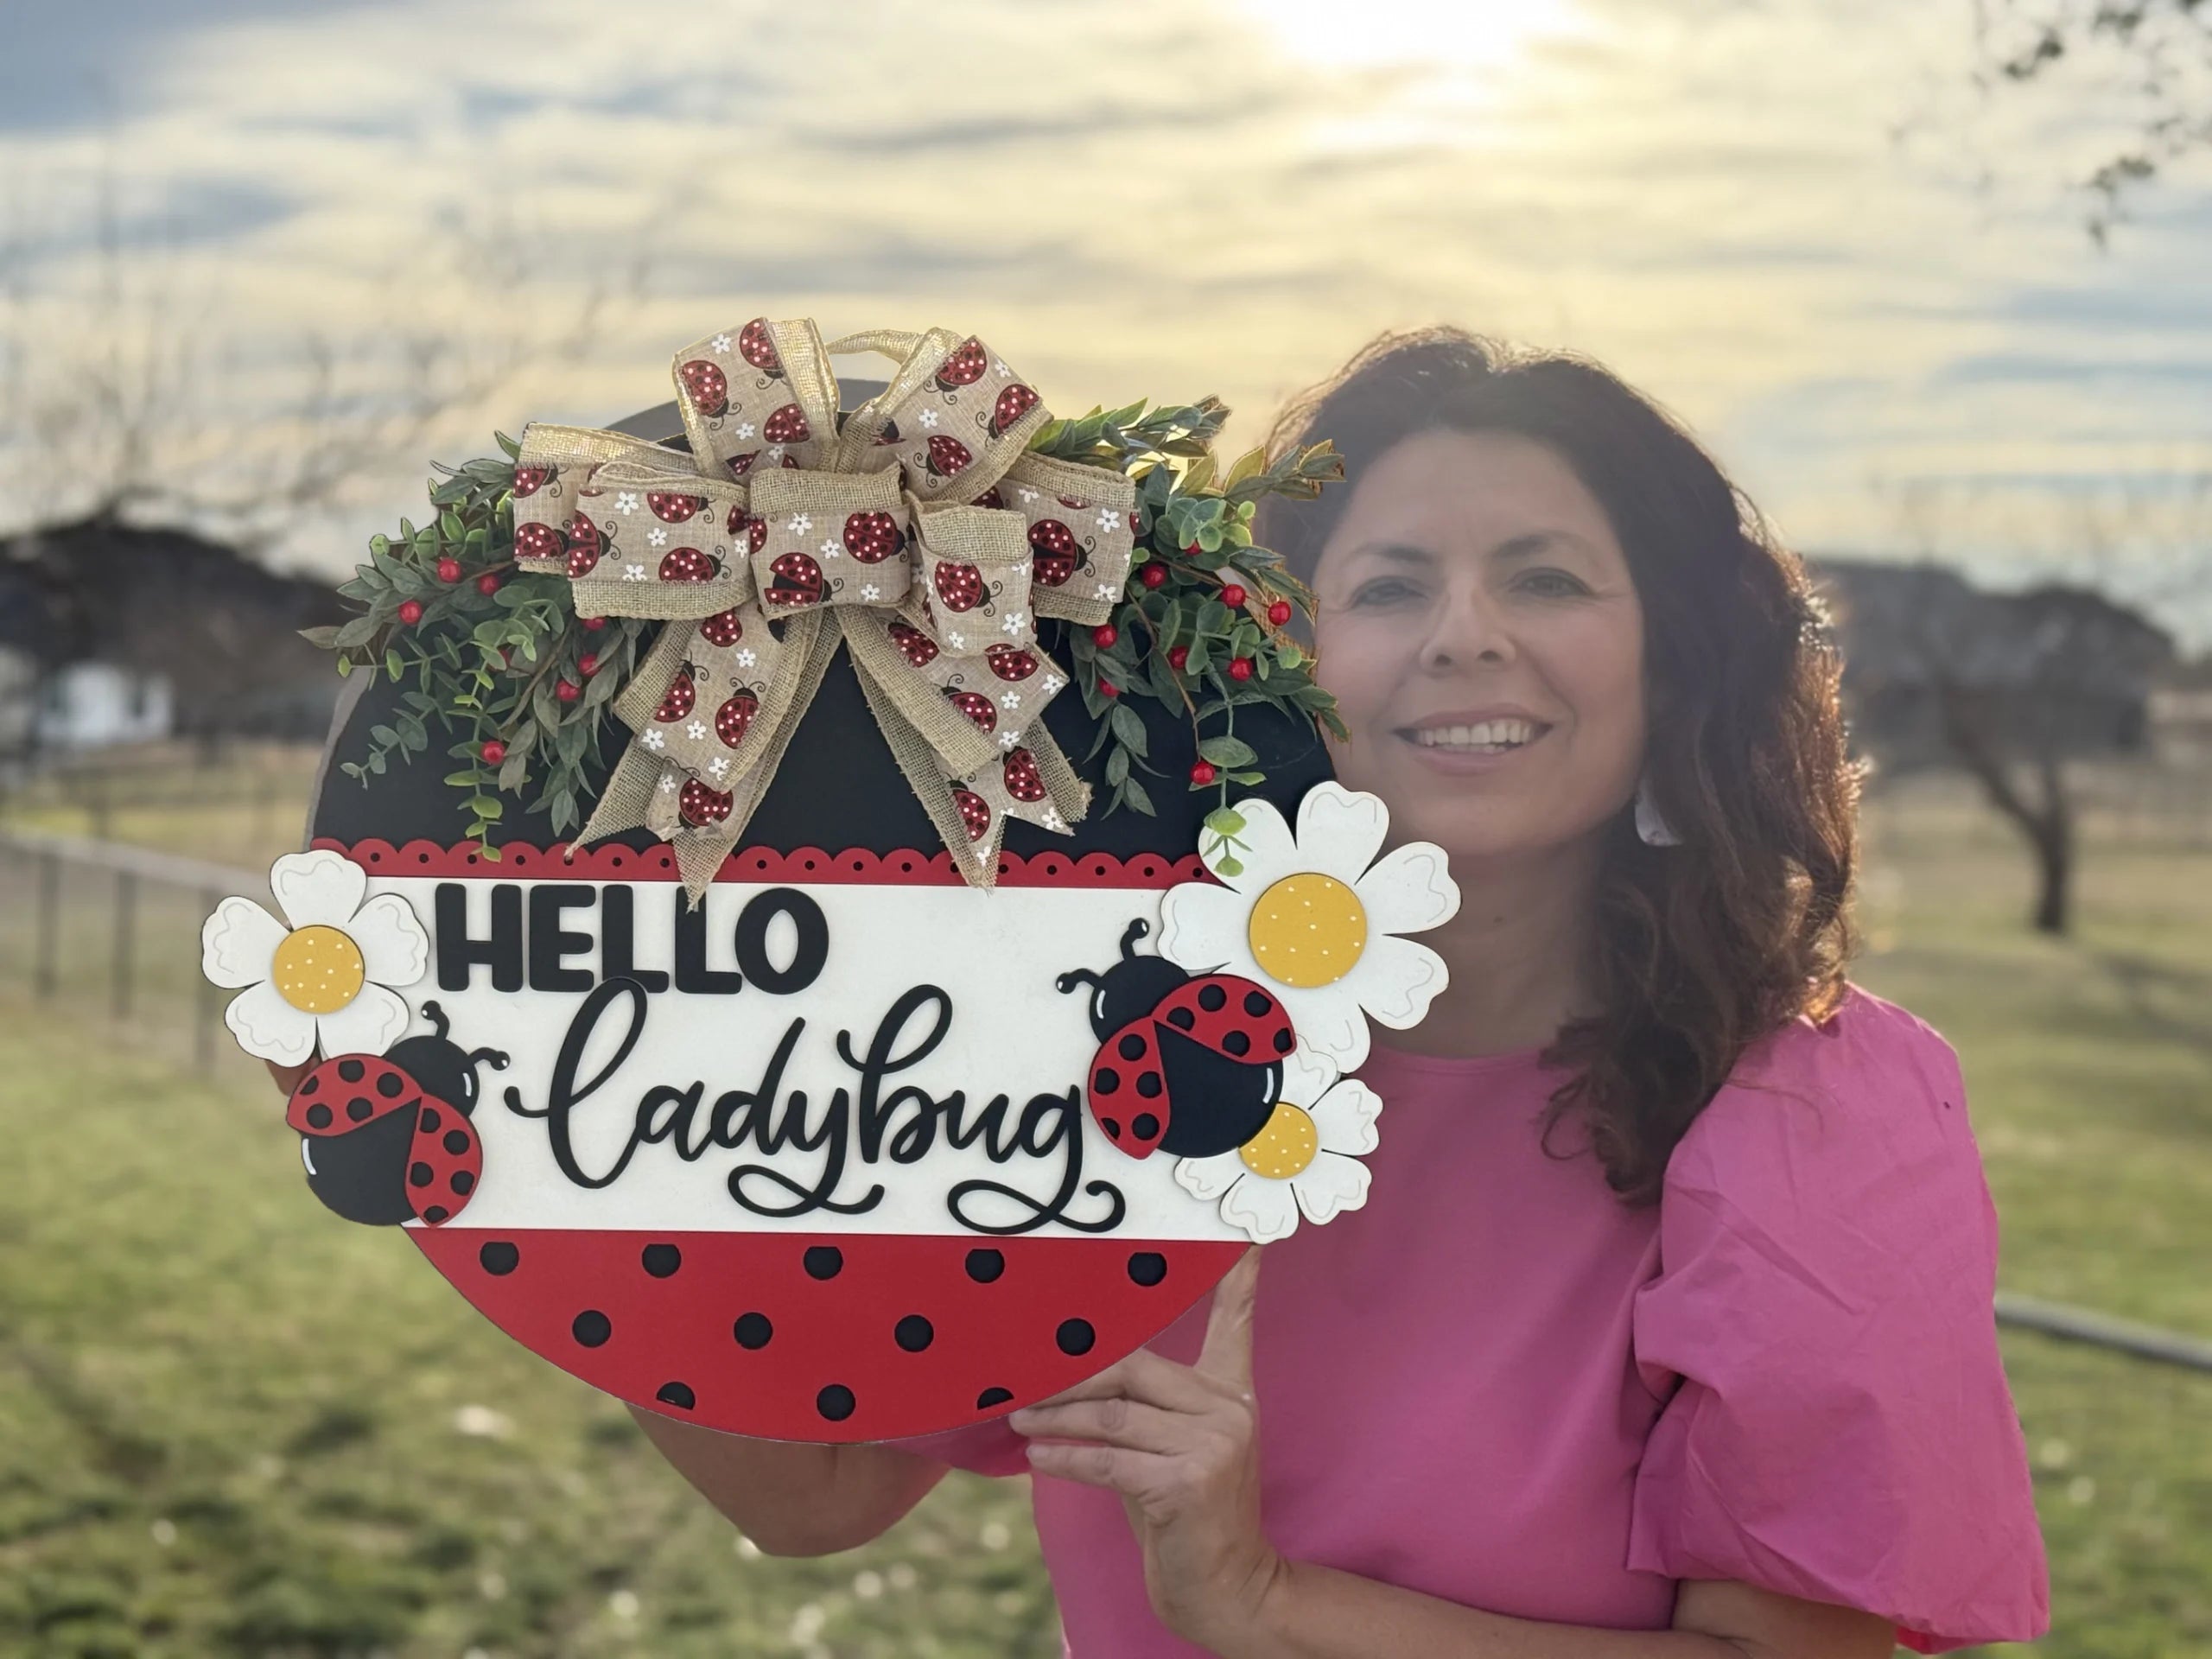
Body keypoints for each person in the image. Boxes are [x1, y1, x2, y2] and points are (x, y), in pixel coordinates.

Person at [275, 329, 2052, 1657]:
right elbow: (817, 1491)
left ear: (1675, 665)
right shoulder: (1116, 1050)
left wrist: (1266, 1605)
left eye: (1547, 579)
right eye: (1387, 585)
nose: (1465, 633)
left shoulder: (1813, 1113)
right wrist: (547, 1175)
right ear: (1278, 664)